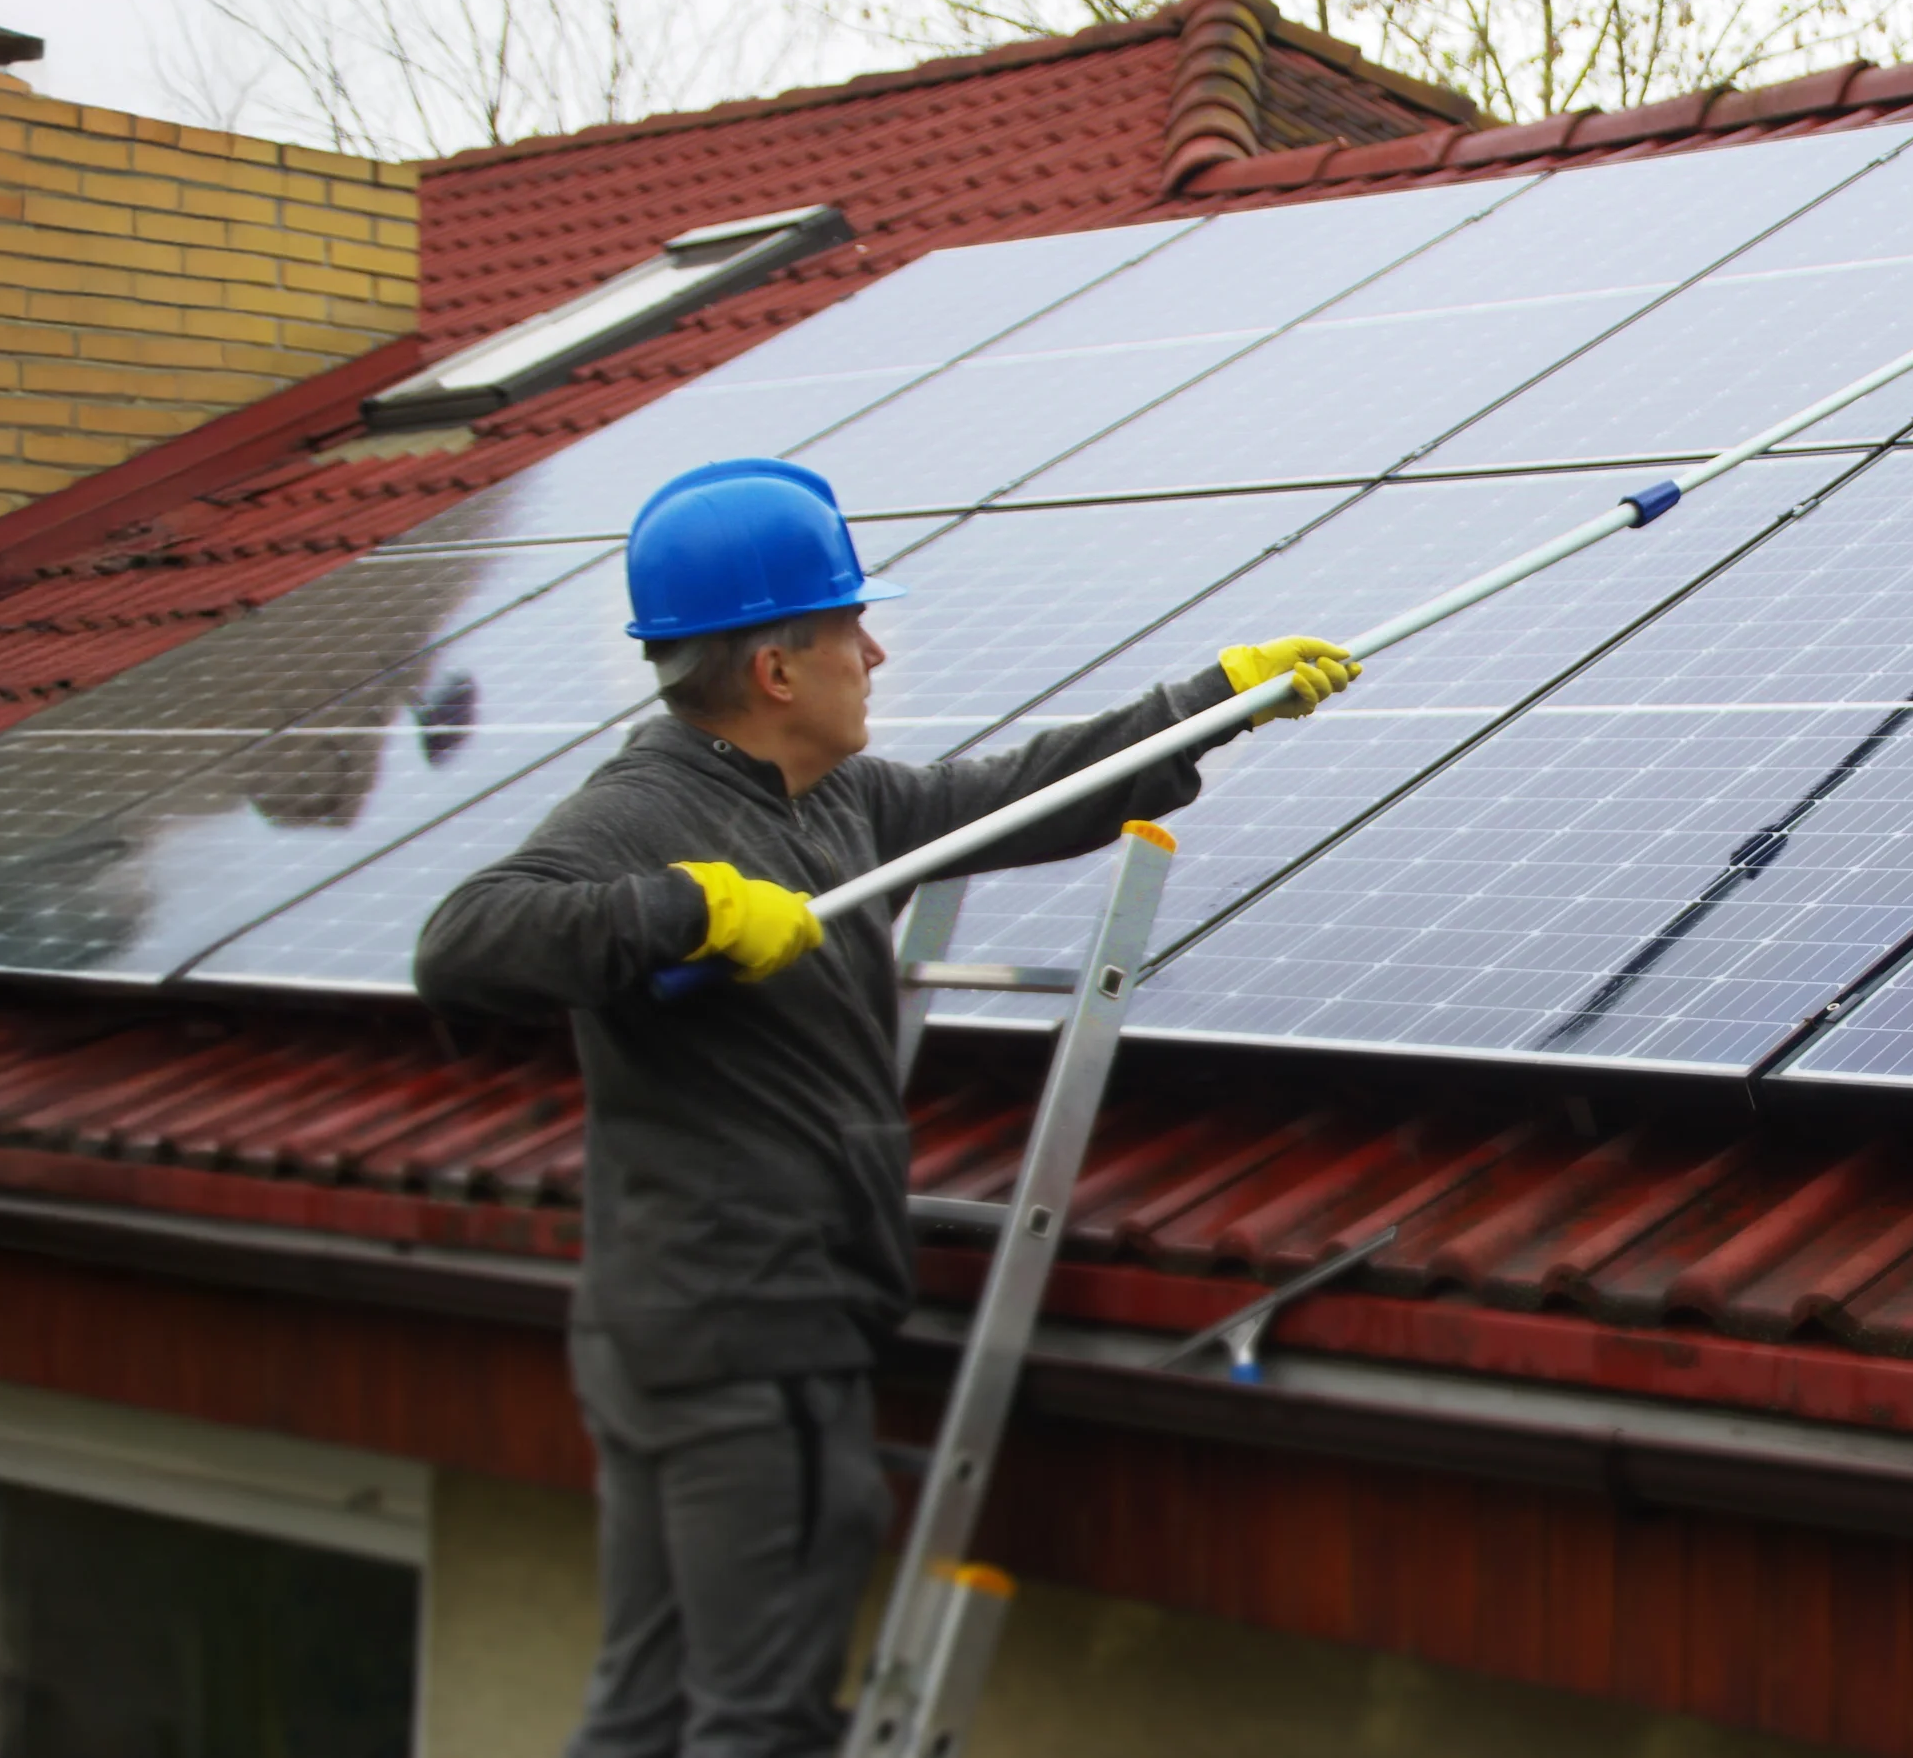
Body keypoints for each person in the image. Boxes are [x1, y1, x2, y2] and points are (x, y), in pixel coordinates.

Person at [411, 458, 1358, 1758]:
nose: (877, 648)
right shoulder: (648, 810)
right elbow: (464, 942)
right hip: (749, 1332)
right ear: (776, 672)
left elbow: (1020, 797)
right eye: (849, 626)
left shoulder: (837, 800)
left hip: (681, 1321)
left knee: (644, 1706)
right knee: (760, 1719)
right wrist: (686, 908)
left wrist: (1211, 705)